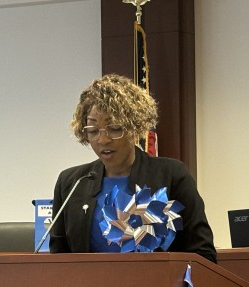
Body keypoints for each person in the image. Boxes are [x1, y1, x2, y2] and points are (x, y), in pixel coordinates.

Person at [49, 73, 216, 263]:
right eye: (93, 131)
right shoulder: (71, 182)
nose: (103, 140)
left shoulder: (171, 175)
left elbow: (203, 255)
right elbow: (58, 262)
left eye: (114, 129)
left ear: (134, 127)